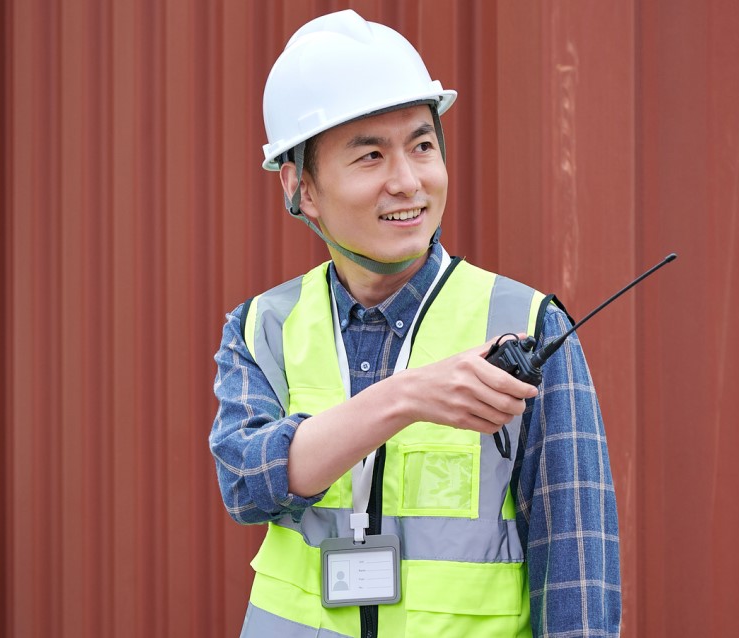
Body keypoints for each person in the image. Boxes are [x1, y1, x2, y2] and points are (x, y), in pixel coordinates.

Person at [209, 10, 620, 637]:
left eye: (422, 146)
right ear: (301, 190)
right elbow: (249, 482)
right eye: (370, 155)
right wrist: (405, 398)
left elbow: (577, 575)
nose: (408, 182)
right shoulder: (263, 326)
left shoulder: (528, 326)